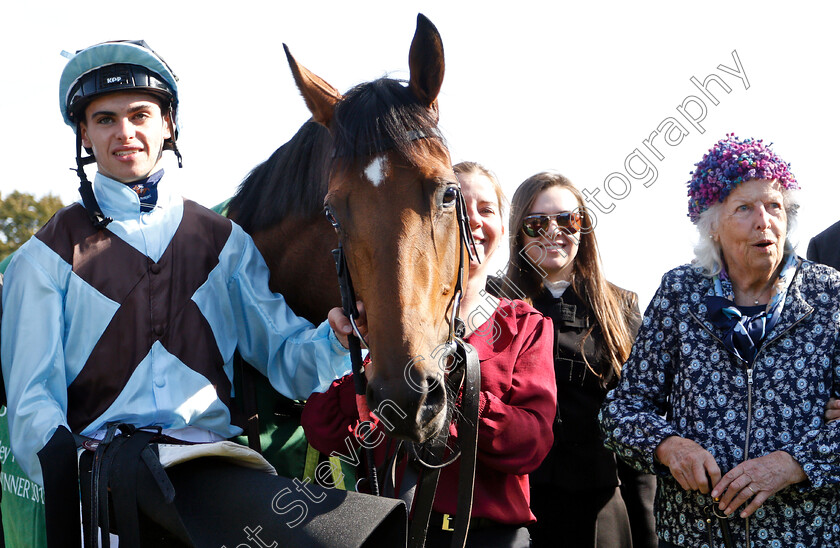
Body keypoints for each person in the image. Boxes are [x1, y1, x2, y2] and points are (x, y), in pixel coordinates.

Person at [0, 40, 405, 546]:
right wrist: (80, 482)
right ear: (84, 134)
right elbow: (32, 405)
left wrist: (339, 337)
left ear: (168, 124)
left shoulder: (226, 243)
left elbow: (284, 357)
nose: (124, 133)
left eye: (140, 115)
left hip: (216, 470)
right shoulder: (42, 259)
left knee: (360, 532)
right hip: (107, 489)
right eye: (105, 119)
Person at [301, 161, 557, 548]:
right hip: (394, 532)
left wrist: (451, 386)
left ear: (503, 230)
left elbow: (531, 444)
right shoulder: (394, 330)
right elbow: (324, 428)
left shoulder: (525, 324)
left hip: (488, 538)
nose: (472, 219)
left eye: (487, 209)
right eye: (456, 204)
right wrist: (371, 359)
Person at [600, 134, 840, 547]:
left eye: (774, 206)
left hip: (803, 534)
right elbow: (622, 410)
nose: (764, 220)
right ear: (713, 226)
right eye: (744, 208)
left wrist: (792, 463)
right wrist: (668, 446)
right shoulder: (680, 293)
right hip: (696, 534)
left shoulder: (828, 293)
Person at [495, 172, 656, 548]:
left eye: (568, 220)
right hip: (513, 508)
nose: (554, 232)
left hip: (601, 509)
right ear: (519, 233)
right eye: (537, 223)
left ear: (583, 227)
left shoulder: (621, 306)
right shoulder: (490, 305)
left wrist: (648, 531)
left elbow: (639, 423)